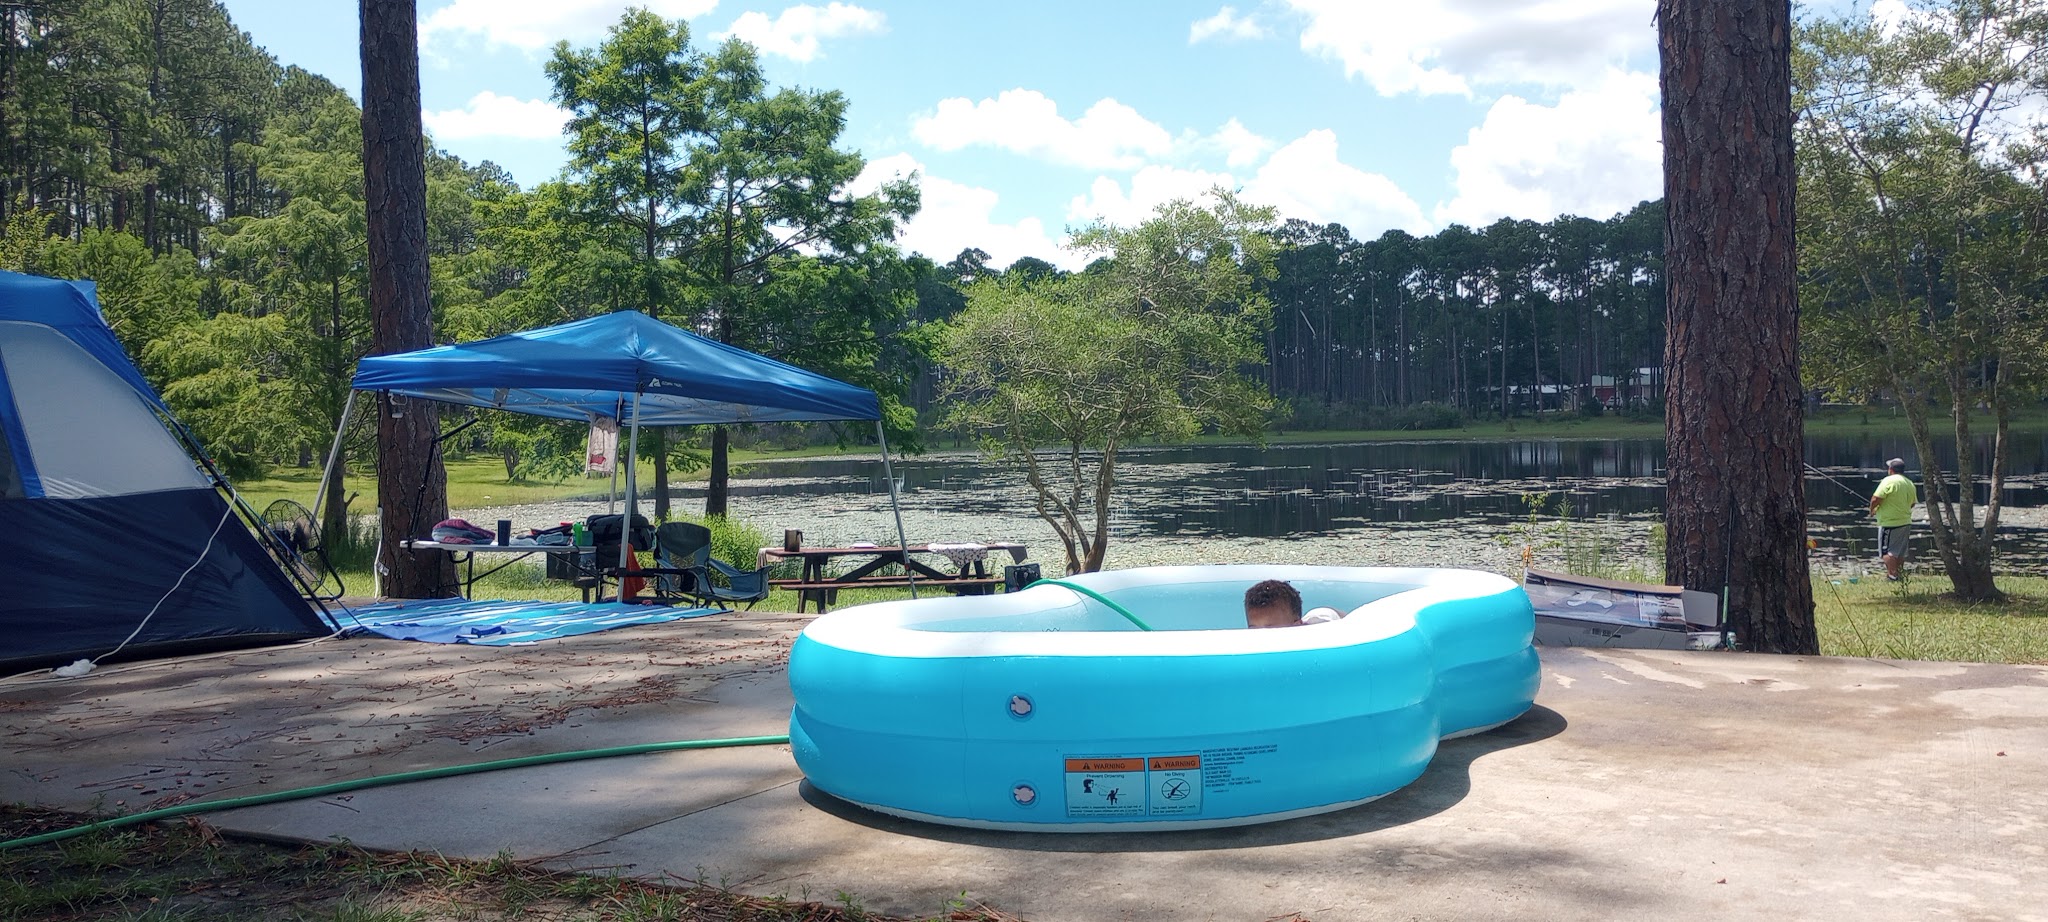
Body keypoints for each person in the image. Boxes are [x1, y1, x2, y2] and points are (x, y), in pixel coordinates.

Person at [1869, 457, 1917, 582]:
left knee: (1886, 552)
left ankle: (1892, 576)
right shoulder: (1909, 483)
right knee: (1899, 552)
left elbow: (1876, 499)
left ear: (1891, 469)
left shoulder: (1888, 481)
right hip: (1905, 522)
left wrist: (1872, 509)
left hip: (1889, 523)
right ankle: (1899, 575)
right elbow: (1912, 503)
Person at [1243, 579, 1345, 628]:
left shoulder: (1321, 629)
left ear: (1296, 627)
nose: (1261, 637)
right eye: (1254, 629)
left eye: (1271, 629)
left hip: (1323, 618)